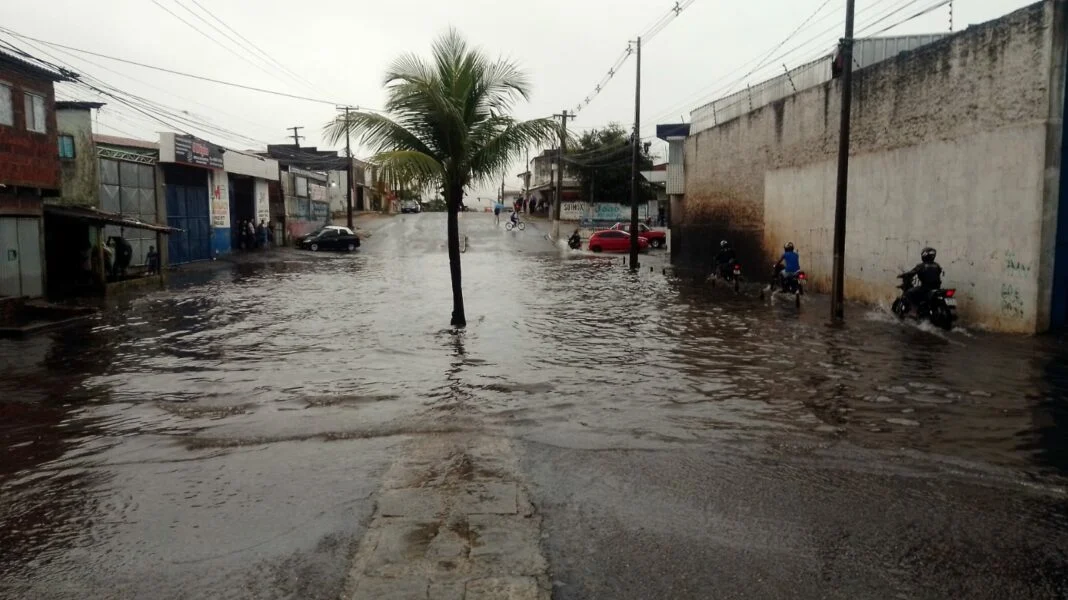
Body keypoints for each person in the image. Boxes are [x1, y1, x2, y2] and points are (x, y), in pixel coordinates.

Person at [899, 247, 943, 311]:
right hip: (937, 288)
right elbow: (938, 273)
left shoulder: (921, 266)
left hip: (926, 288)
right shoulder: (937, 265)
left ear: (924, 256)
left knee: (909, 292)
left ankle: (914, 310)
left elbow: (912, 273)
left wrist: (903, 275)